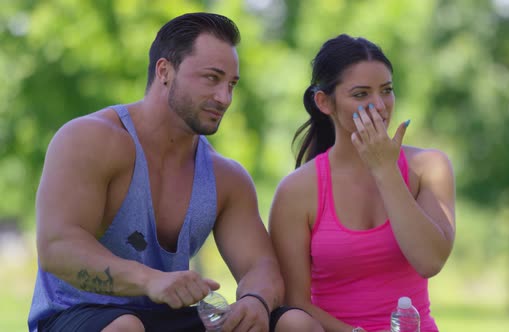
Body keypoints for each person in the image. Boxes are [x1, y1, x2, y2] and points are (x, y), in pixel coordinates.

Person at [28, 12, 323, 332]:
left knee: (294, 323)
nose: (225, 98)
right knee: (125, 327)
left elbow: (261, 267)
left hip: (164, 318)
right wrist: (151, 281)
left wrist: (255, 301)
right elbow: (58, 248)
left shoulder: (227, 178)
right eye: (212, 78)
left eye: (232, 84)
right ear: (165, 70)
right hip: (76, 313)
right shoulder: (90, 139)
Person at [269, 34, 456, 332]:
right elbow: (295, 302)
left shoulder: (429, 168)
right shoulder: (296, 192)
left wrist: (385, 170)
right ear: (324, 102)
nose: (379, 106)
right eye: (361, 95)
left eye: (387, 91)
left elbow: (430, 262)